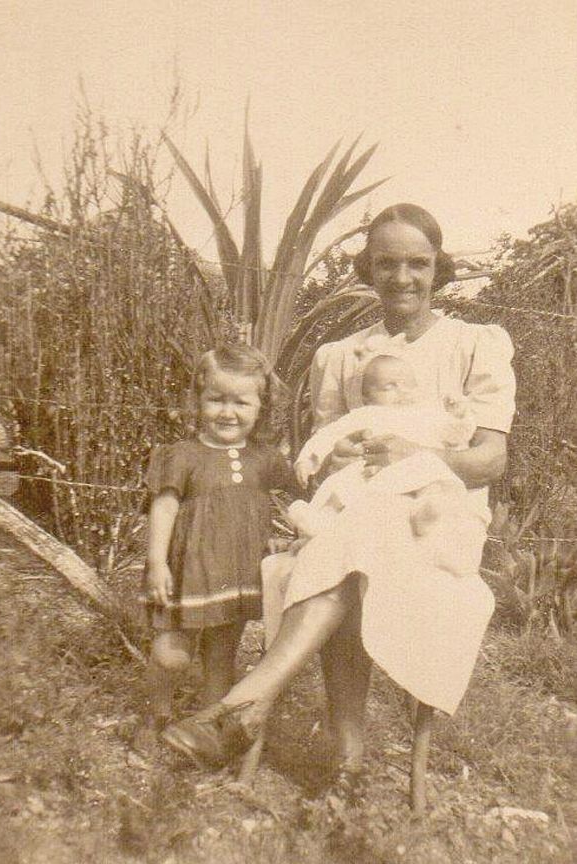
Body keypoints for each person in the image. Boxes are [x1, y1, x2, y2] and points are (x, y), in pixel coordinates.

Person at [161, 203, 516, 791]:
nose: (402, 278)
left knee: (353, 546)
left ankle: (247, 706)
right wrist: (338, 459)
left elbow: (490, 460)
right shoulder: (341, 355)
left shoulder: (475, 344)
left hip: (438, 519)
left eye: (417, 263)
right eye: (387, 263)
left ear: (438, 266)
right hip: (360, 513)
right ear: (368, 269)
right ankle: (345, 758)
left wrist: (418, 455)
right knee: (355, 545)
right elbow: (321, 462)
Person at [137, 344, 299, 747]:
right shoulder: (181, 456)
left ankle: (205, 732)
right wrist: (156, 562)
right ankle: (157, 713)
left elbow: (300, 495)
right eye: (216, 399)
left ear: (261, 407)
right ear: (198, 400)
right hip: (186, 572)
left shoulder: (265, 459)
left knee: (221, 655)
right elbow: (163, 507)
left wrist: (297, 535)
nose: (228, 412)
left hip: (237, 574)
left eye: (241, 402)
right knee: (171, 655)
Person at [289, 350, 477, 538]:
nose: (402, 391)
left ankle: (426, 513)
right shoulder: (364, 415)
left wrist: (459, 415)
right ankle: (321, 520)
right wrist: (307, 460)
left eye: (408, 384)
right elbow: (328, 435)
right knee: (344, 485)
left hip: (413, 467)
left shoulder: (425, 414)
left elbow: (456, 435)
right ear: (367, 397)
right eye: (389, 387)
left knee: (433, 471)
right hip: (371, 472)